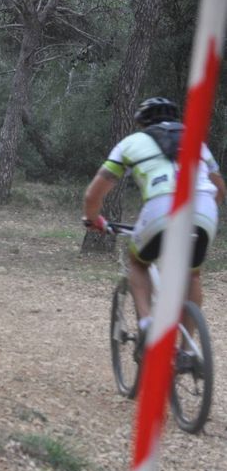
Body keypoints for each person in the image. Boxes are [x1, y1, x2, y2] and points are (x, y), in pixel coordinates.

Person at [83, 96, 226, 337]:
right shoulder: (196, 142)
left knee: (139, 262)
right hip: (204, 208)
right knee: (191, 273)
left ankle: (148, 326)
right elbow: (220, 190)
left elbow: (92, 195)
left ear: (142, 123)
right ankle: (186, 353)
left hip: (163, 207)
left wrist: (93, 218)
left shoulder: (131, 143)